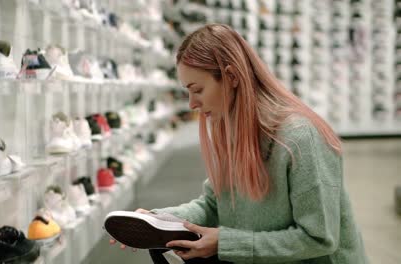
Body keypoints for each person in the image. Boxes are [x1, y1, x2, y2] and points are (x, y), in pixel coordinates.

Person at [111, 24, 369, 264]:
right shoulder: (232, 129)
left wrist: (226, 242)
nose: (191, 104)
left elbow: (319, 238)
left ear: (231, 76)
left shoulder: (300, 138)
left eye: (197, 89)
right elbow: (213, 204)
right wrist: (158, 221)